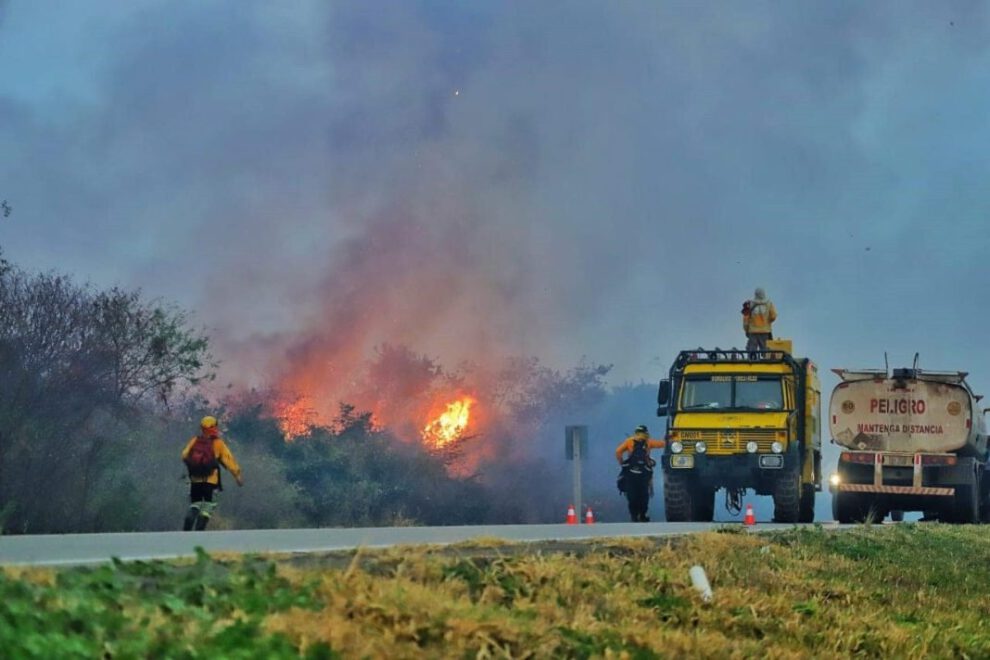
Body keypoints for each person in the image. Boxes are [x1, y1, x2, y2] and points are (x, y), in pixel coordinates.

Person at [181, 415, 243, 531]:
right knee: (208, 506)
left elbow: (184, 454)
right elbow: (229, 460)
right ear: (214, 428)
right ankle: (199, 530)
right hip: (211, 481)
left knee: (195, 504)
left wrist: (193, 465)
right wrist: (237, 475)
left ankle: (190, 518)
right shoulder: (218, 443)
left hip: (195, 480)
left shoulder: (195, 440)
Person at [615, 425, 666, 522]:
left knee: (631, 495)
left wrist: (622, 463)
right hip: (644, 473)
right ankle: (642, 515)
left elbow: (618, 452)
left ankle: (634, 516)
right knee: (644, 495)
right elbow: (662, 444)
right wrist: (670, 438)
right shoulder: (649, 442)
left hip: (631, 473)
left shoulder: (629, 441)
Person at [742, 287, 777, 353]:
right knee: (766, 353)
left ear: (755, 294)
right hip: (765, 332)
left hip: (753, 332)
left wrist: (746, 330)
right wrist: (767, 322)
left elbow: (745, 320)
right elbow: (773, 316)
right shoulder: (769, 303)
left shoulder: (748, 304)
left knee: (752, 354)